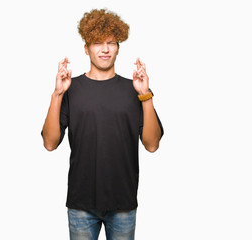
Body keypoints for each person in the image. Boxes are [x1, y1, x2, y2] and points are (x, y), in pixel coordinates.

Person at [41, 8, 164, 240]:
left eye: (111, 42)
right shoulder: (70, 90)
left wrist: (146, 95)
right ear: (86, 49)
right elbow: (49, 143)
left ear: (118, 47)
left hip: (123, 204)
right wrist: (57, 95)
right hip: (81, 205)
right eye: (97, 42)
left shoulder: (135, 90)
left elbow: (152, 144)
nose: (105, 49)